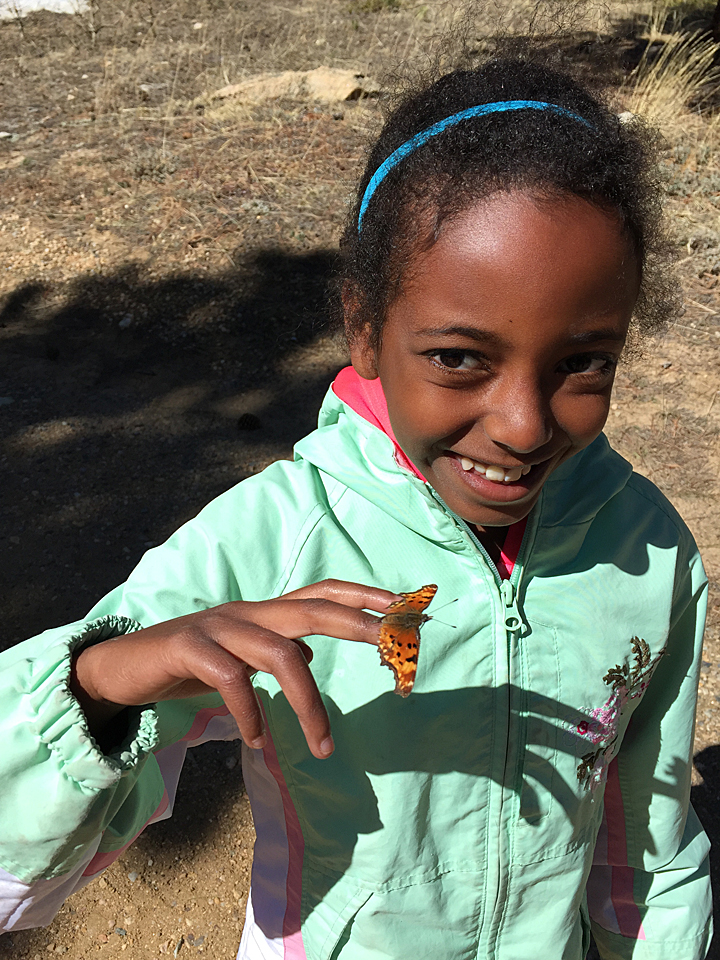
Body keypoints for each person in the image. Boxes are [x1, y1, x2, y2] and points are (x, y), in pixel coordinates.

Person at [0, 58, 712, 960]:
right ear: (364, 329)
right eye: (459, 358)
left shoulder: (648, 552)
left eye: (584, 363)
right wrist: (101, 683)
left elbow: (645, 850)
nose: (525, 425)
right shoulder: (270, 542)